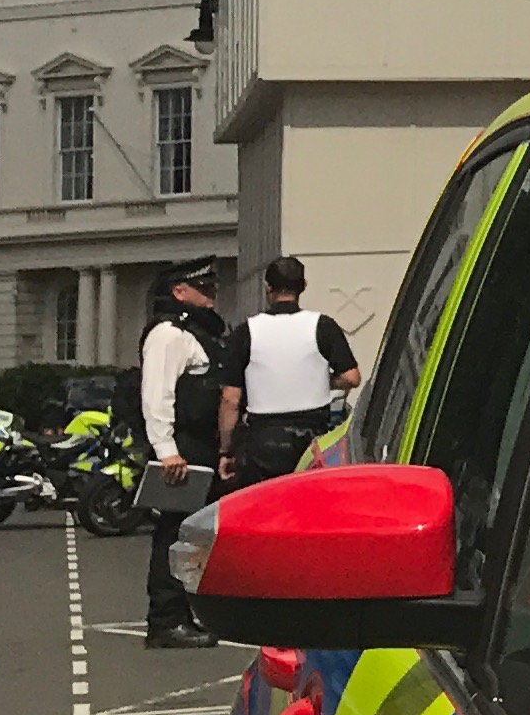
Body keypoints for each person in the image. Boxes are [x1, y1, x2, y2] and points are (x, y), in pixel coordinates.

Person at [135, 264, 230, 649]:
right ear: (179, 292)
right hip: (182, 448)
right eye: (201, 286)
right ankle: (166, 619)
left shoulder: (197, 333)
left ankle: (181, 613)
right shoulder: (168, 335)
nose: (210, 293)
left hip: (198, 446)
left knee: (192, 534)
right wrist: (167, 450)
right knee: (174, 534)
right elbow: (157, 395)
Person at [219, 253, 361, 490]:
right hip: (312, 438)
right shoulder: (322, 326)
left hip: (263, 442)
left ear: (267, 287)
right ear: (303, 286)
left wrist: (226, 450)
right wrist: (322, 381)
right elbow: (351, 377)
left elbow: (229, 399)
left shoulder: (247, 331)